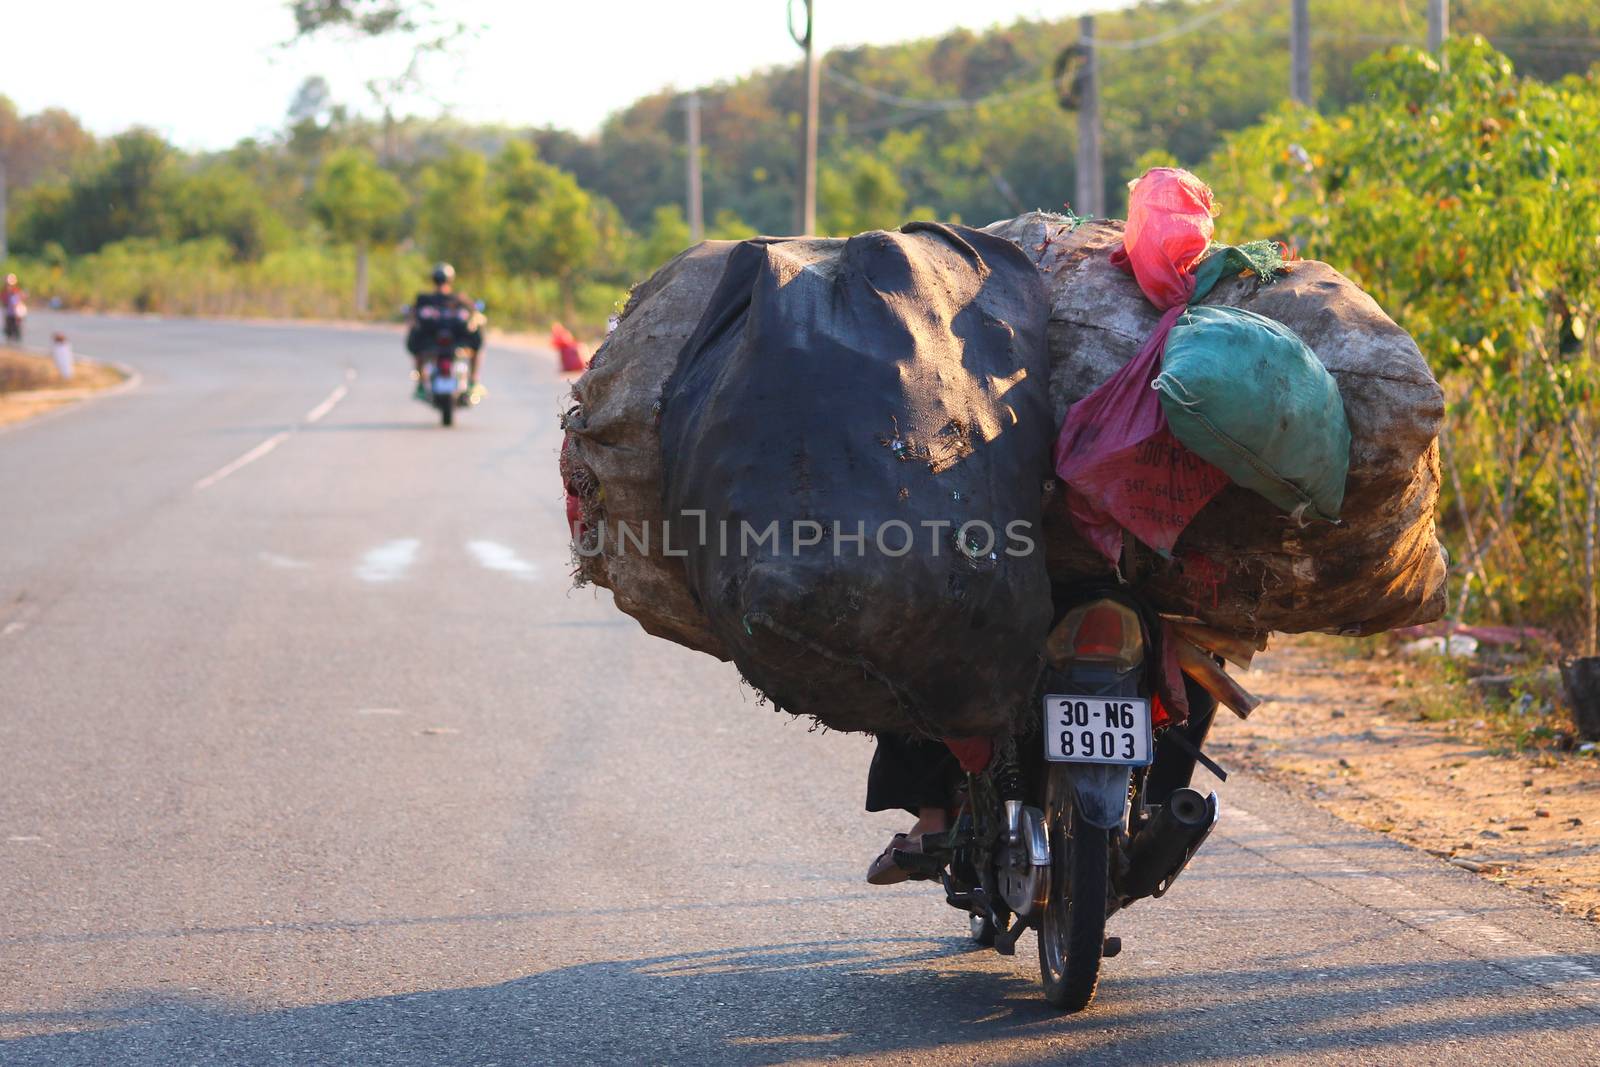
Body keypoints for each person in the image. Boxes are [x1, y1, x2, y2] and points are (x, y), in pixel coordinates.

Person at [406, 263, 485, 402]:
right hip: (443, 343)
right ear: (451, 280)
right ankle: (473, 381)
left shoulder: (424, 300)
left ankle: (420, 384)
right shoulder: (460, 299)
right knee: (476, 345)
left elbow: (412, 319)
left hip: (443, 343)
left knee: (419, 348)